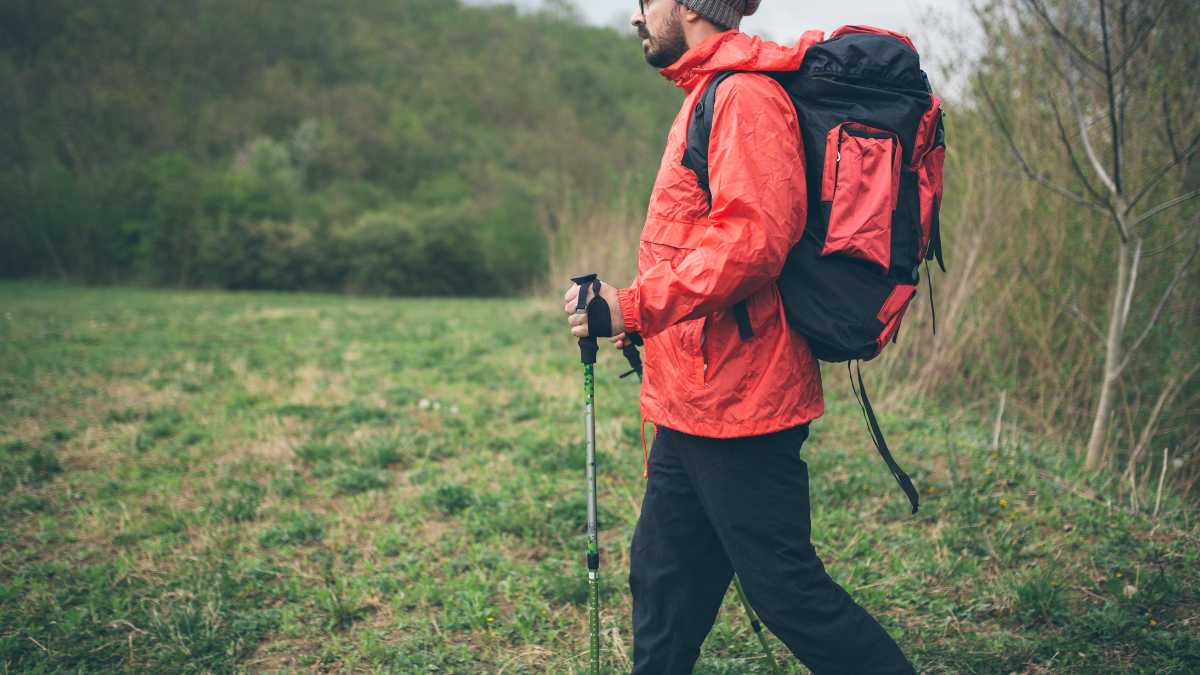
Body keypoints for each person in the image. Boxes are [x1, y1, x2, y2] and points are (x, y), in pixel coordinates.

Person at [561, 1, 916, 673]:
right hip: (693, 397)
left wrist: (635, 307)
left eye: (647, 1)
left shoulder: (745, 97)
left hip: (742, 402)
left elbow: (752, 243)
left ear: (691, 6)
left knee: (787, 592)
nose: (637, 16)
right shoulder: (709, 92)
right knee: (664, 580)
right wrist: (638, 323)